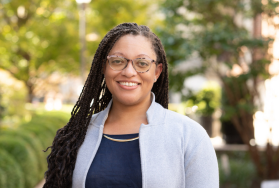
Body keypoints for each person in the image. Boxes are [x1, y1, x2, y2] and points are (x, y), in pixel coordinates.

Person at [43, 23, 219, 188]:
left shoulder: (189, 136)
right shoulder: (77, 135)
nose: (128, 72)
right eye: (118, 61)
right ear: (104, 67)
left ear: (157, 72)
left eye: (142, 63)